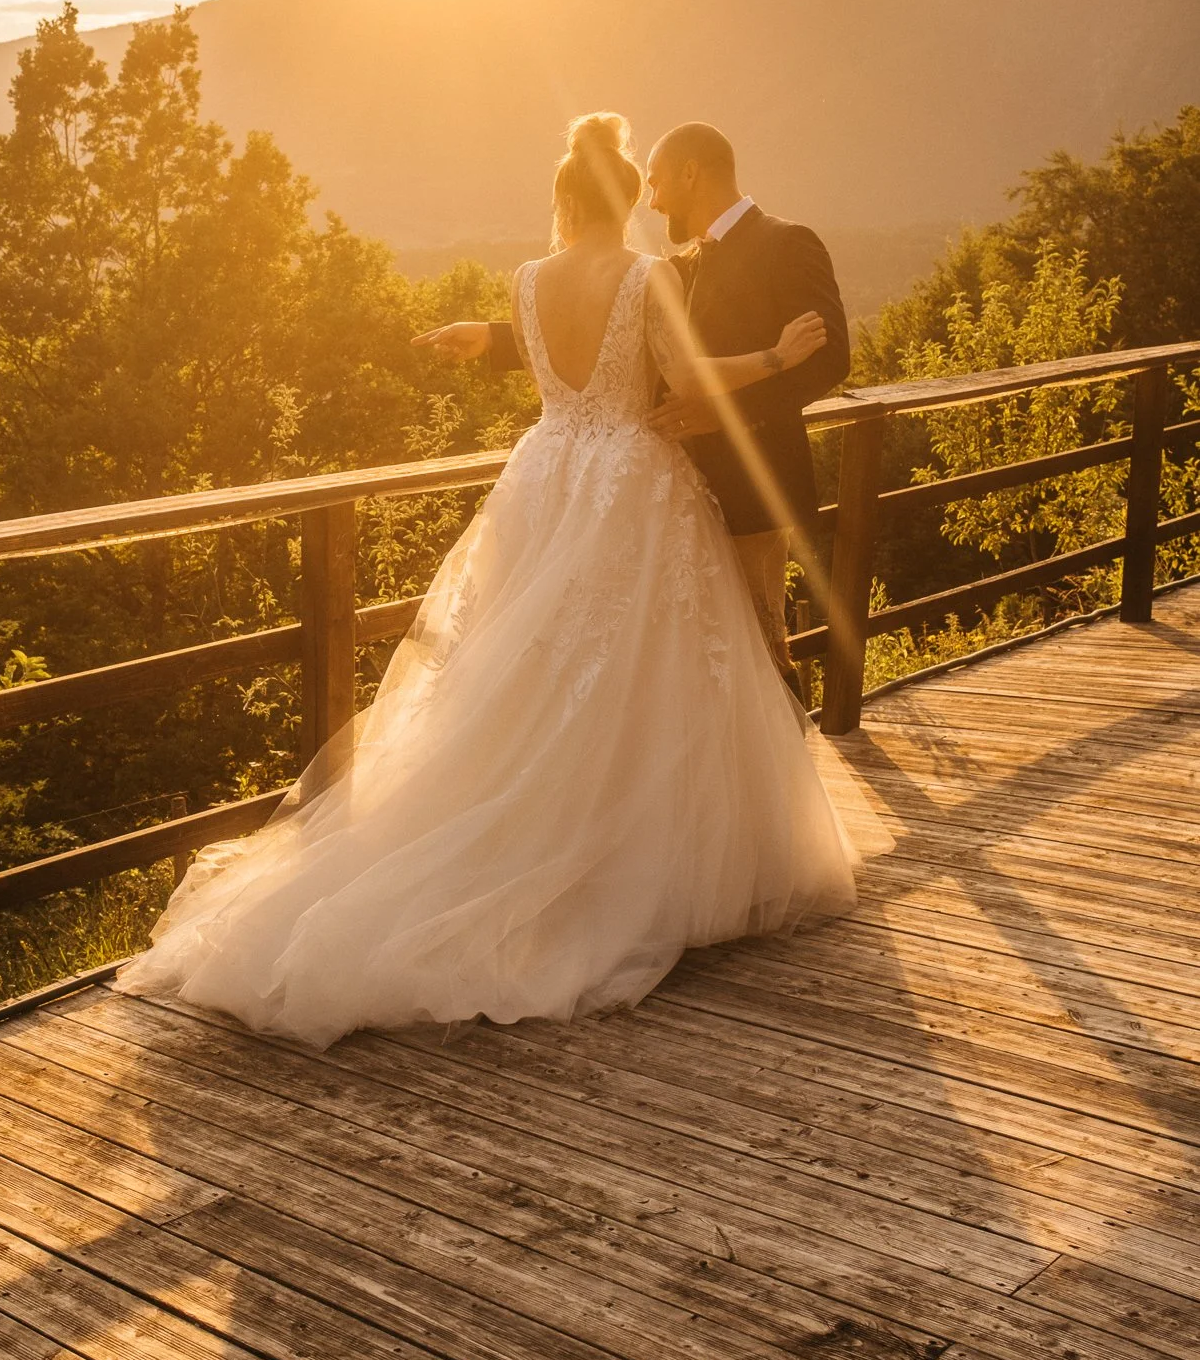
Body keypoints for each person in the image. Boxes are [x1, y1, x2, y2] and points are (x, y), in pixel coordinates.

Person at [119, 114, 858, 1047]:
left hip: (547, 476)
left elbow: (556, 349)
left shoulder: (524, 282)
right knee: (640, 667)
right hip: (630, 479)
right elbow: (687, 376)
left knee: (522, 667)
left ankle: (510, 840)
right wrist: (773, 358)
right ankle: (634, 862)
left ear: (560, 199)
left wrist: (490, 338)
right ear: (631, 199)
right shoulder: (647, 274)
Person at [417, 121, 850, 696]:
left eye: (658, 181)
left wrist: (724, 416)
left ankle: (783, 770)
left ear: (692, 173)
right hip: (651, 482)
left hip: (747, 481)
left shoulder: (786, 242)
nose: (651, 198)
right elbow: (622, 336)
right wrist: (498, 337)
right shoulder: (673, 266)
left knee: (760, 644)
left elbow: (829, 360)